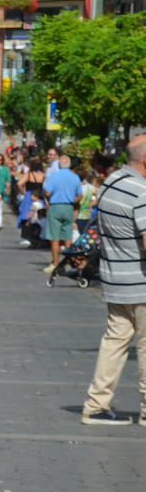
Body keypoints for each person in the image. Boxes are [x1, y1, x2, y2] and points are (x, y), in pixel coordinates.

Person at [81, 135, 146, 425]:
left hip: (115, 278)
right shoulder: (142, 192)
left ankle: (96, 405)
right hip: (140, 281)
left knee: (114, 342)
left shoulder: (112, 181)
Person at [43, 152, 81, 272]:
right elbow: (80, 195)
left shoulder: (54, 176)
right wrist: (71, 200)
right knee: (67, 236)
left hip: (55, 206)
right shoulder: (75, 177)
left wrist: (49, 197)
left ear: (59, 165)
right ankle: (67, 263)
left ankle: (55, 263)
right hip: (69, 207)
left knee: (55, 237)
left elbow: (47, 192)